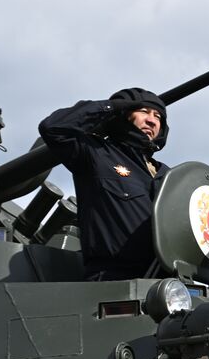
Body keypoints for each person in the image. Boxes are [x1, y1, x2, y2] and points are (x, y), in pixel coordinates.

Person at [38, 88, 170, 281]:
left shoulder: (167, 174)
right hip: (112, 279)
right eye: (143, 111)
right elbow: (53, 127)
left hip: (165, 284)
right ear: (123, 114)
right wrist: (112, 107)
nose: (152, 120)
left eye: (158, 116)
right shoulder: (96, 154)